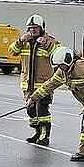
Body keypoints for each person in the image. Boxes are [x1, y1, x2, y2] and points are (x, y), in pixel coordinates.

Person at [9, 14, 60, 146]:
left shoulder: (50, 40)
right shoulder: (24, 41)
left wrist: (48, 45)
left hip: (44, 84)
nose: (32, 30)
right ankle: (37, 132)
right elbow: (12, 51)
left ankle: (45, 135)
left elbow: (60, 54)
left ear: (41, 28)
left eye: (35, 28)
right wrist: (20, 41)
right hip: (28, 84)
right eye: (30, 28)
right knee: (30, 110)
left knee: (42, 110)